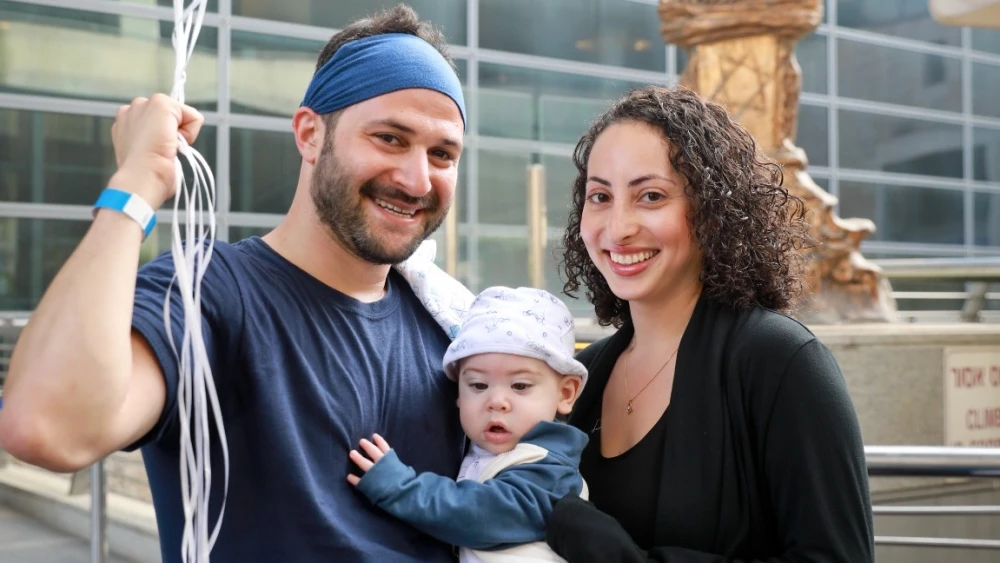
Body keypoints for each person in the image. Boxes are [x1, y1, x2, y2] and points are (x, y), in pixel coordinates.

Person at [0, 6, 477, 562]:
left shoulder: (457, 333)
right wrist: (137, 184)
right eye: (391, 138)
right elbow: (45, 427)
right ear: (310, 134)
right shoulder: (209, 293)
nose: (418, 178)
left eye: (442, 154)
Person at [543, 86, 875, 562]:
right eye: (600, 196)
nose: (617, 228)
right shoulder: (582, 375)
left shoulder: (782, 362)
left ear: (713, 212)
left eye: (650, 196)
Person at [347, 286, 589, 563]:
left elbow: (482, 515)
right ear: (458, 394)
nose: (496, 401)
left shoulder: (550, 469)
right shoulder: (472, 452)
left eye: (520, 385)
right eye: (478, 385)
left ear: (566, 393)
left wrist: (399, 487)